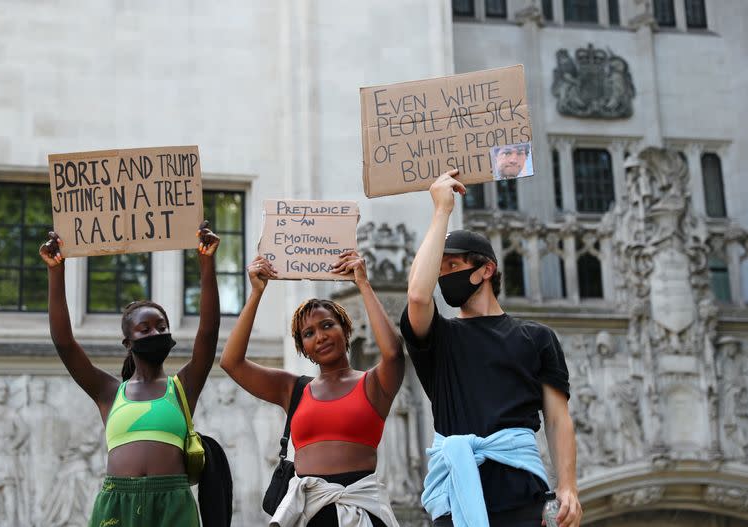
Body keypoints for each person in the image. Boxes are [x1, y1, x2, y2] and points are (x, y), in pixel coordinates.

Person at [401, 169, 582, 527]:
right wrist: (441, 211)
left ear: (485, 270)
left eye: (452, 265)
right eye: (439, 269)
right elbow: (418, 295)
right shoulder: (439, 337)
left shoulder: (537, 337)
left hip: (521, 489)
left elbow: (558, 418)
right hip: (456, 488)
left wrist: (568, 486)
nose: (443, 275)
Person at [39, 221, 221, 527]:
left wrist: (206, 263)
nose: (156, 332)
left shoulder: (183, 388)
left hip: (173, 505)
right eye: (145, 328)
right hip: (117, 505)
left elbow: (208, 331)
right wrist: (55, 272)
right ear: (128, 342)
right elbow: (65, 343)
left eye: (162, 327)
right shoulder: (109, 392)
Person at [220, 250, 403, 527]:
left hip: (361, 509)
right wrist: (257, 292)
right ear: (303, 348)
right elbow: (231, 362)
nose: (320, 336)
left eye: (328, 325)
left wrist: (363, 284)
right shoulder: (293, 389)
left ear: (345, 330)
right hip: (308, 512)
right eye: (308, 333)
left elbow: (393, 353)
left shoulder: (374, 384)